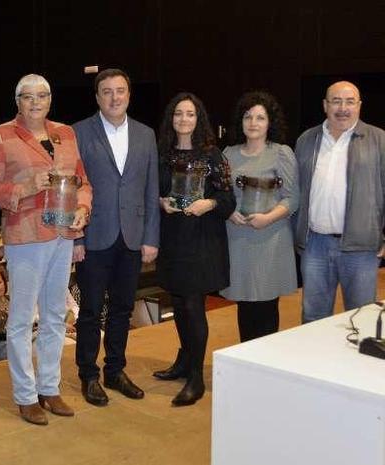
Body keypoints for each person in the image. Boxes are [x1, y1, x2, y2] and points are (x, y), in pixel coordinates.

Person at [0, 74, 91, 425]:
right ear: (17, 100)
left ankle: (49, 387)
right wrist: (26, 186)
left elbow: (83, 182)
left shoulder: (66, 133)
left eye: (42, 95)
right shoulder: (0, 135)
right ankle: (25, 395)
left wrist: (83, 210)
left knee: (55, 316)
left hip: (63, 235)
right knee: (21, 319)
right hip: (26, 237)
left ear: (50, 99)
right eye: (27, 96)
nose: (35, 102)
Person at [72, 68, 160, 407]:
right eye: (106, 92)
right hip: (93, 236)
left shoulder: (145, 134)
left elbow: (151, 189)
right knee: (91, 311)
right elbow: (73, 189)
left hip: (133, 237)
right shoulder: (78, 133)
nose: (114, 97)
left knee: (123, 309)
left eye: (120, 91)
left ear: (129, 94)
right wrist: (76, 239)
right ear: (97, 97)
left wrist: (150, 237)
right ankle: (89, 375)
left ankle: (115, 370)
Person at [156, 92, 235, 406]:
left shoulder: (212, 155)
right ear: (171, 119)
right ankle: (184, 361)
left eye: (190, 114)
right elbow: (155, 192)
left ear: (198, 118)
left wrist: (208, 203)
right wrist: (161, 201)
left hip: (202, 240)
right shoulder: (162, 154)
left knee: (193, 306)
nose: (183, 120)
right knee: (178, 302)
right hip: (174, 238)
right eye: (178, 114)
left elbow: (229, 201)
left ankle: (196, 378)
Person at [294, 81, 385, 323]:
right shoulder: (306, 140)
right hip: (314, 246)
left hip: (362, 248)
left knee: (361, 318)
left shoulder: (379, 140)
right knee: (313, 317)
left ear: (359, 106)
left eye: (350, 101)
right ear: (325, 105)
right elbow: (295, 191)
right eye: (336, 101)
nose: (343, 108)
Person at [220, 91, 298, 342]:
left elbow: (292, 198)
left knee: (266, 306)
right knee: (244, 305)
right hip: (238, 239)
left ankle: (265, 366)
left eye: (260, 118)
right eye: (248, 117)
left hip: (270, 239)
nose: (253, 123)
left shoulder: (281, 153)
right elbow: (220, 194)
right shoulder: (228, 154)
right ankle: (246, 363)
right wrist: (229, 212)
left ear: (269, 123)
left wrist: (269, 218)